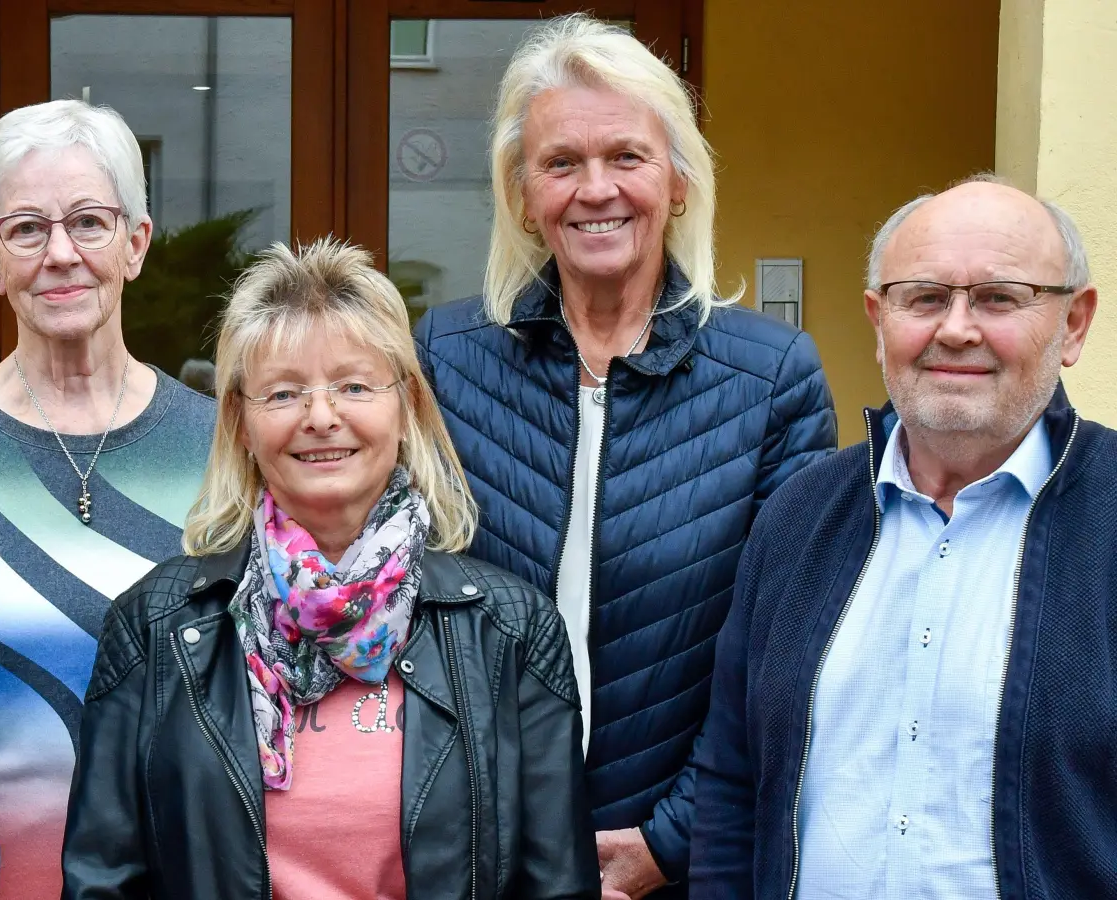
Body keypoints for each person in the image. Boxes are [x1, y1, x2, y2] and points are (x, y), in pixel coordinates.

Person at [413, 15, 836, 898]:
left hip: (681, 860)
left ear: (679, 181)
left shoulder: (769, 380)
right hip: (476, 850)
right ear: (523, 193)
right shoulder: (444, 359)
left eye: (628, 157)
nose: (594, 189)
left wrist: (667, 841)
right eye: (561, 163)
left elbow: (791, 647)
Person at [61, 238, 599, 900]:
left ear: (407, 410)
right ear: (240, 424)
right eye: (284, 393)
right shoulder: (153, 628)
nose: (321, 417)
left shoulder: (510, 631)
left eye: (353, 385)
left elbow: (555, 886)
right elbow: (102, 881)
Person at [690, 176, 1111, 899]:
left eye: (998, 298)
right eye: (923, 297)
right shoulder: (800, 516)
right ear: (878, 318)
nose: (955, 329)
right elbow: (732, 783)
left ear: (1073, 324)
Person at [0, 99, 214, 900]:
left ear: (136, 244)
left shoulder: (227, 449)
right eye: (26, 229)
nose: (60, 253)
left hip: (194, 874)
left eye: (89, 222)